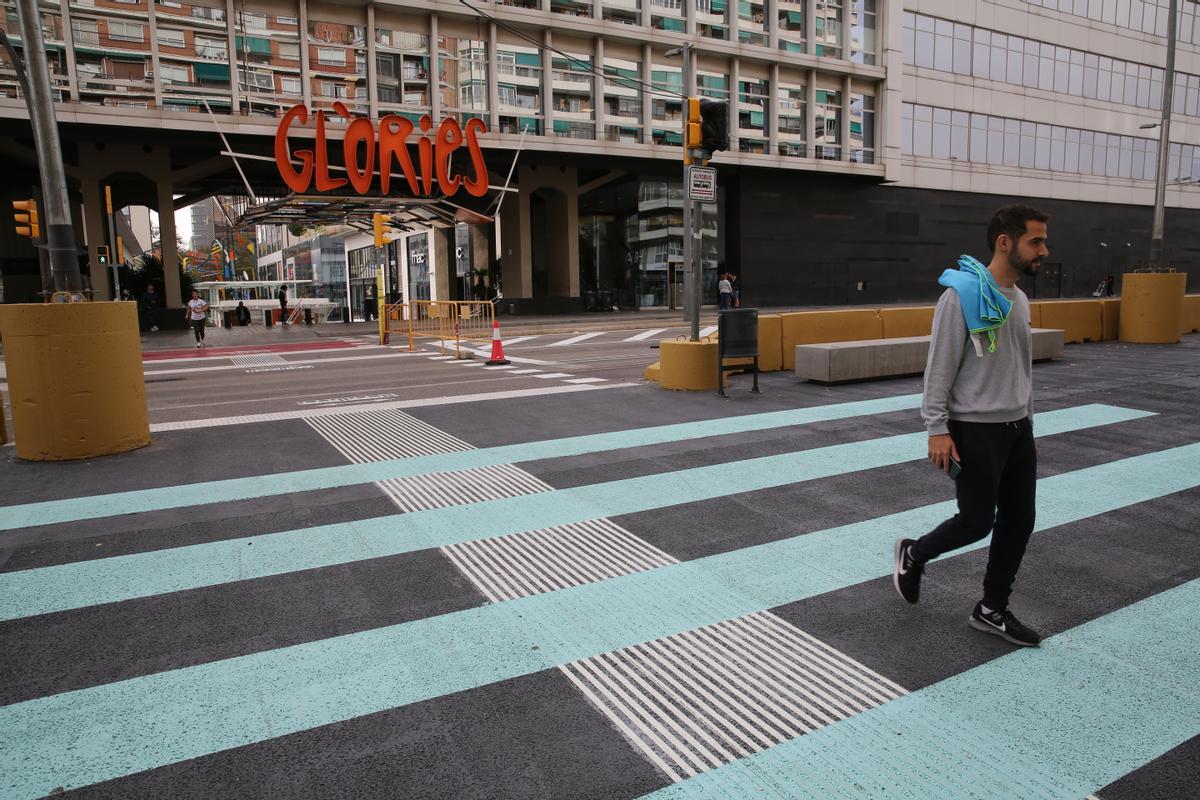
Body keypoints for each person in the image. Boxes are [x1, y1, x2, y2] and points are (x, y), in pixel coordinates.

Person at [893, 204, 1049, 648]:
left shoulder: (1019, 299)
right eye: (1035, 241)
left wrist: (1029, 424)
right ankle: (915, 553)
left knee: (1020, 520)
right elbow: (938, 366)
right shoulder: (960, 296)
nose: (1044, 250)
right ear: (1005, 242)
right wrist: (936, 428)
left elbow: (1022, 368)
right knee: (977, 522)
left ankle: (991, 609)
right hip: (974, 429)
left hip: (1017, 428)